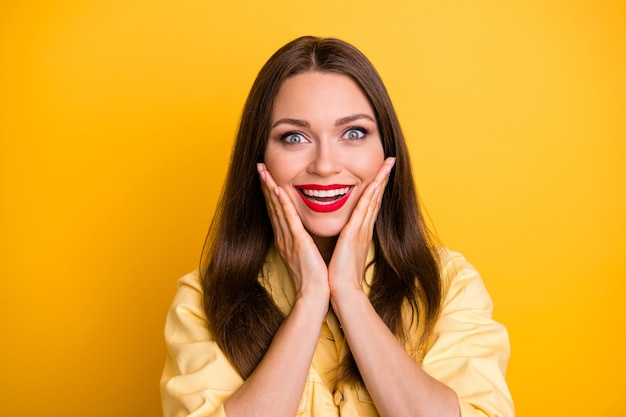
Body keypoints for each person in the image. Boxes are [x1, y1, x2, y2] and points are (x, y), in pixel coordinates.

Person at [160, 36, 514, 417]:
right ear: (259, 158)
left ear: (386, 151)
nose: (325, 165)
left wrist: (349, 295)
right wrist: (310, 298)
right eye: (294, 137)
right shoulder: (202, 301)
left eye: (353, 133)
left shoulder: (447, 285)